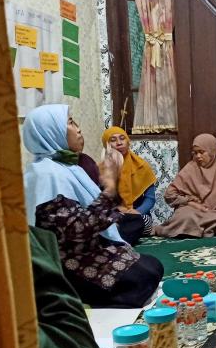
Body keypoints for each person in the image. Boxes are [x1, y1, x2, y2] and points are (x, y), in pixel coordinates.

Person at [23, 104, 162, 308]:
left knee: (152, 264)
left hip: (89, 245)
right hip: (69, 261)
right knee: (142, 276)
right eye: (70, 122)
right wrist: (110, 187)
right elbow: (78, 229)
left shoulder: (68, 166)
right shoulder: (46, 175)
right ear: (50, 132)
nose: (78, 129)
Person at [154, 134, 216, 237]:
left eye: (202, 152)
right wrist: (192, 203)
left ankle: (190, 230)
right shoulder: (191, 168)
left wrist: (209, 212)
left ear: (212, 151)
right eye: (195, 153)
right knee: (184, 216)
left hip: (215, 215)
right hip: (192, 211)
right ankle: (199, 229)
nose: (198, 156)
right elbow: (169, 195)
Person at [102, 126, 157, 245]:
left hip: (137, 214)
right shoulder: (100, 168)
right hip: (114, 213)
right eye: (113, 140)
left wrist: (138, 211)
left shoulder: (142, 166)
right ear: (106, 145)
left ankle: (118, 240)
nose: (119, 143)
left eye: (122, 138)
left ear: (128, 141)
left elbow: (150, 199)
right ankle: (121, 237)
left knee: (144, 222)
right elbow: (97, 198)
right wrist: (116, 209)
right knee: (106, 222)